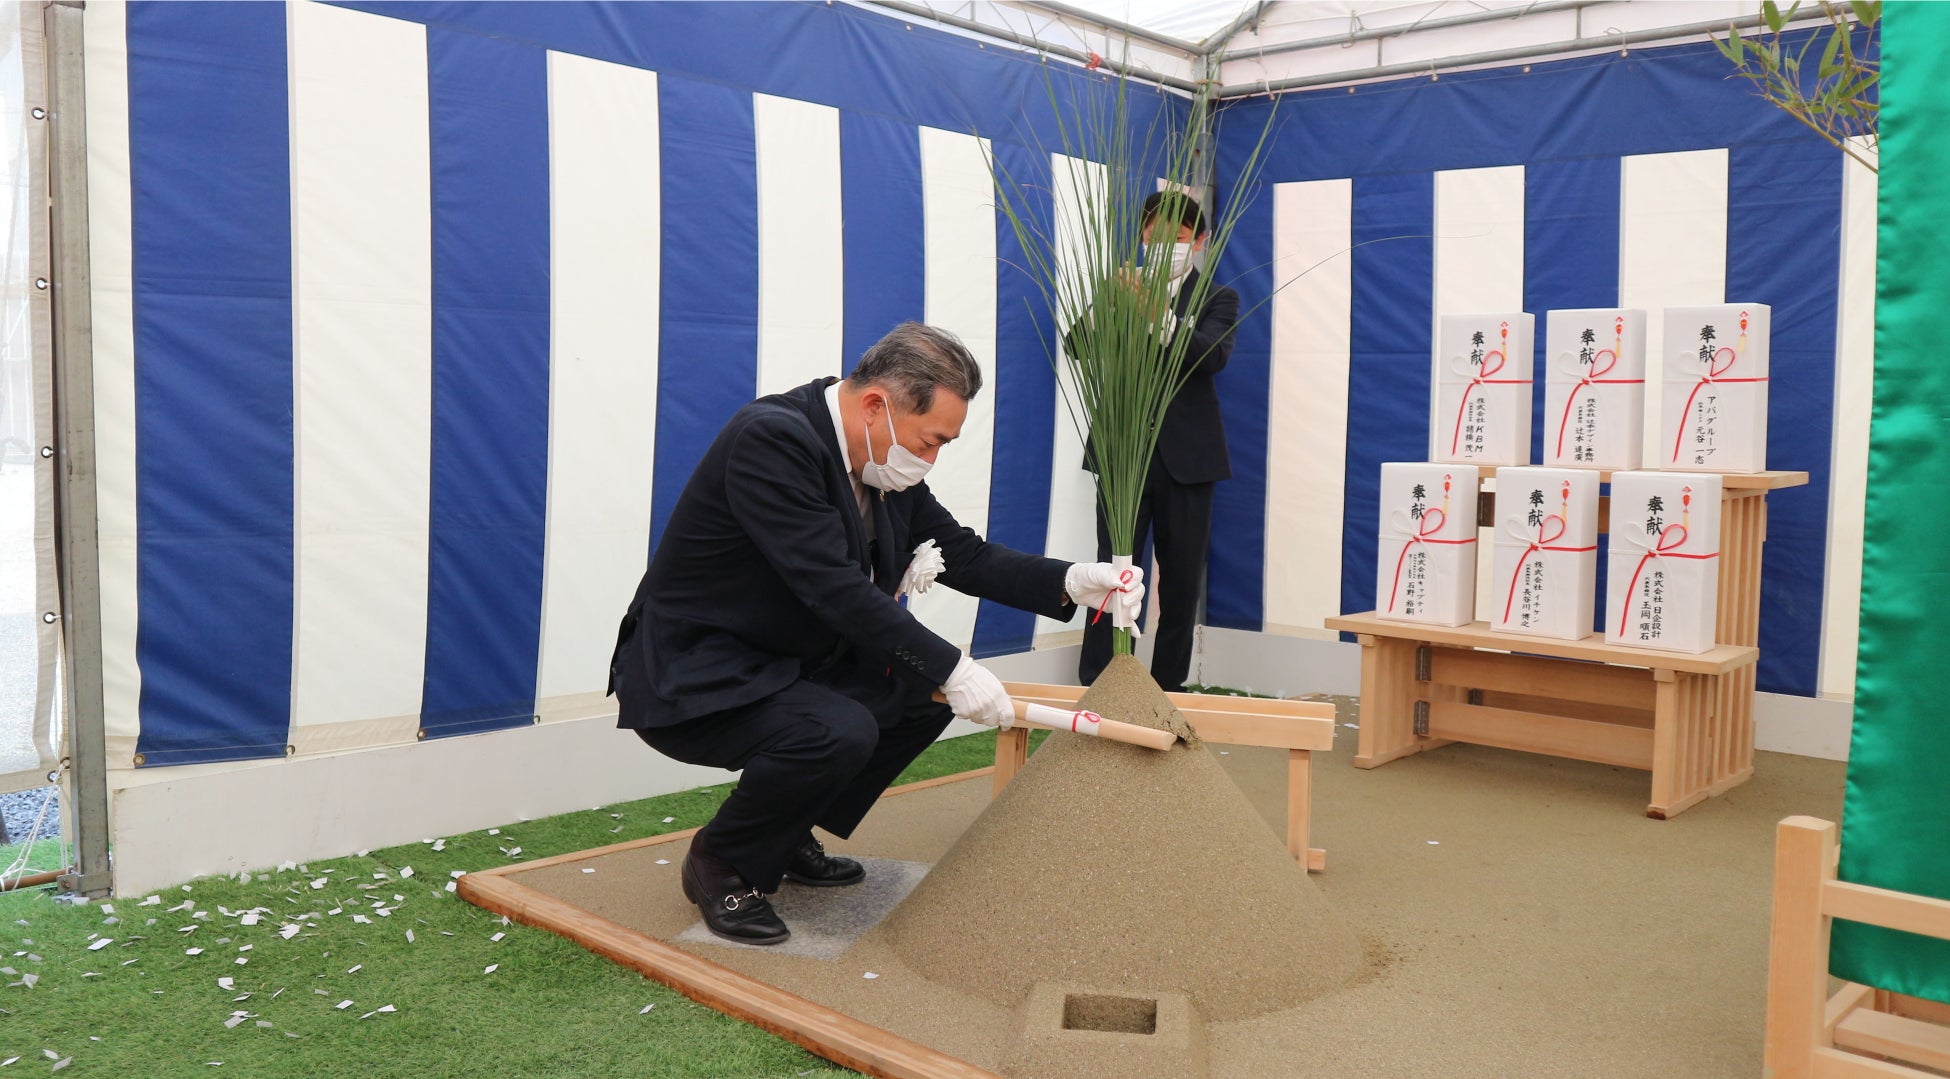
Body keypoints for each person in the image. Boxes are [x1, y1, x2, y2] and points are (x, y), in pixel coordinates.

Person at [608, 322, 1144, 945]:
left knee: (919, 696)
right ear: (875, 407)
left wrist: (1076, 581)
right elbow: (832, 588)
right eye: (932, 440)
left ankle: (784, 830)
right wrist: (955, 666)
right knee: (840, 729)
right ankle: (722, 860)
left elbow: (962, 555)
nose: (933, 458)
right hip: (699, 672)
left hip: (786, 659)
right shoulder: (772, 442)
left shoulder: (883, 464)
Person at [1078, 191, 1240, 693]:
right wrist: (1113, 303)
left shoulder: (1217, 297)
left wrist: (1158, 314)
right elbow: (1079, 346)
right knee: (1112, 571)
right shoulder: (1119, 286)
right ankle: (1101, 682)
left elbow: (1208, 358)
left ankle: (1166, 690)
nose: (1167, 239)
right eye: (1156, 230)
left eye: (1181, 232)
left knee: (1182, 576)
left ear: (1200, 241)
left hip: (1189, 460)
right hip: (1123, 452)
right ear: (1143, 233)